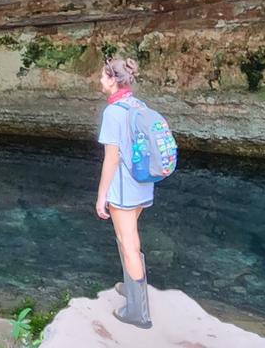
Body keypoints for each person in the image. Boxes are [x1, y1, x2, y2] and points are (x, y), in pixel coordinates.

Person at [95, 57, 153, 329]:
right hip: (142, 183)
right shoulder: (138, 105)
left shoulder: (114, 112)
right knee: (131, 238)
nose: (99, 80)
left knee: (127, 242)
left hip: (123, 188)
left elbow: (111, 158)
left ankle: (138, 313)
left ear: (113, 79)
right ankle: (131, 289)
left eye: (103, 76)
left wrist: (101, 196)